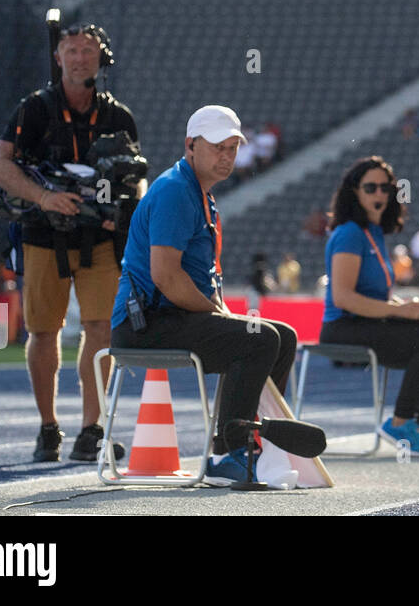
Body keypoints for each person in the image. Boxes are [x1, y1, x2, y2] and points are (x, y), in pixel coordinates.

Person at [110, 106, 302, 485]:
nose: (227, 156)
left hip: (173, 317)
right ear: (190, 145)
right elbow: (165, 277)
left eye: (232, 148)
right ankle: (231, 452)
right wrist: (221, 316)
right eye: (218, 147)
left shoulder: (201, 195)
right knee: (258, 338)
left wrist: (223, 315)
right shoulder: (174, 190)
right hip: (145, 323)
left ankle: (250, 442)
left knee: (282, 336)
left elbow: (201, 282)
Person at [0, 22, 142, 463]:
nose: (79, 58)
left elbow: (137, 177)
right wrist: (45, 197)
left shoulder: (119, 117)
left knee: (101, 329)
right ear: (58, 58)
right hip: (42, 235)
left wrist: (124, 216)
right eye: (71, 50)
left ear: (101, 58)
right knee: (43, 331)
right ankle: (48, 427)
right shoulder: (35, 109)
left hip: (101, 239)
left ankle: (91, 429)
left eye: (88, 51)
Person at [319, 156, 419, 456]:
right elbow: (343, 298)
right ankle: (399, 424)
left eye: (385, 188)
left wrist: (407, 306)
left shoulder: (372, 232)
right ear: (354, 192)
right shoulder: (349, 233)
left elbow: (377, 296)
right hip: (343, 328)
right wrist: (400, 311)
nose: (379, 195)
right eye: (370, 187)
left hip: (367, 322)